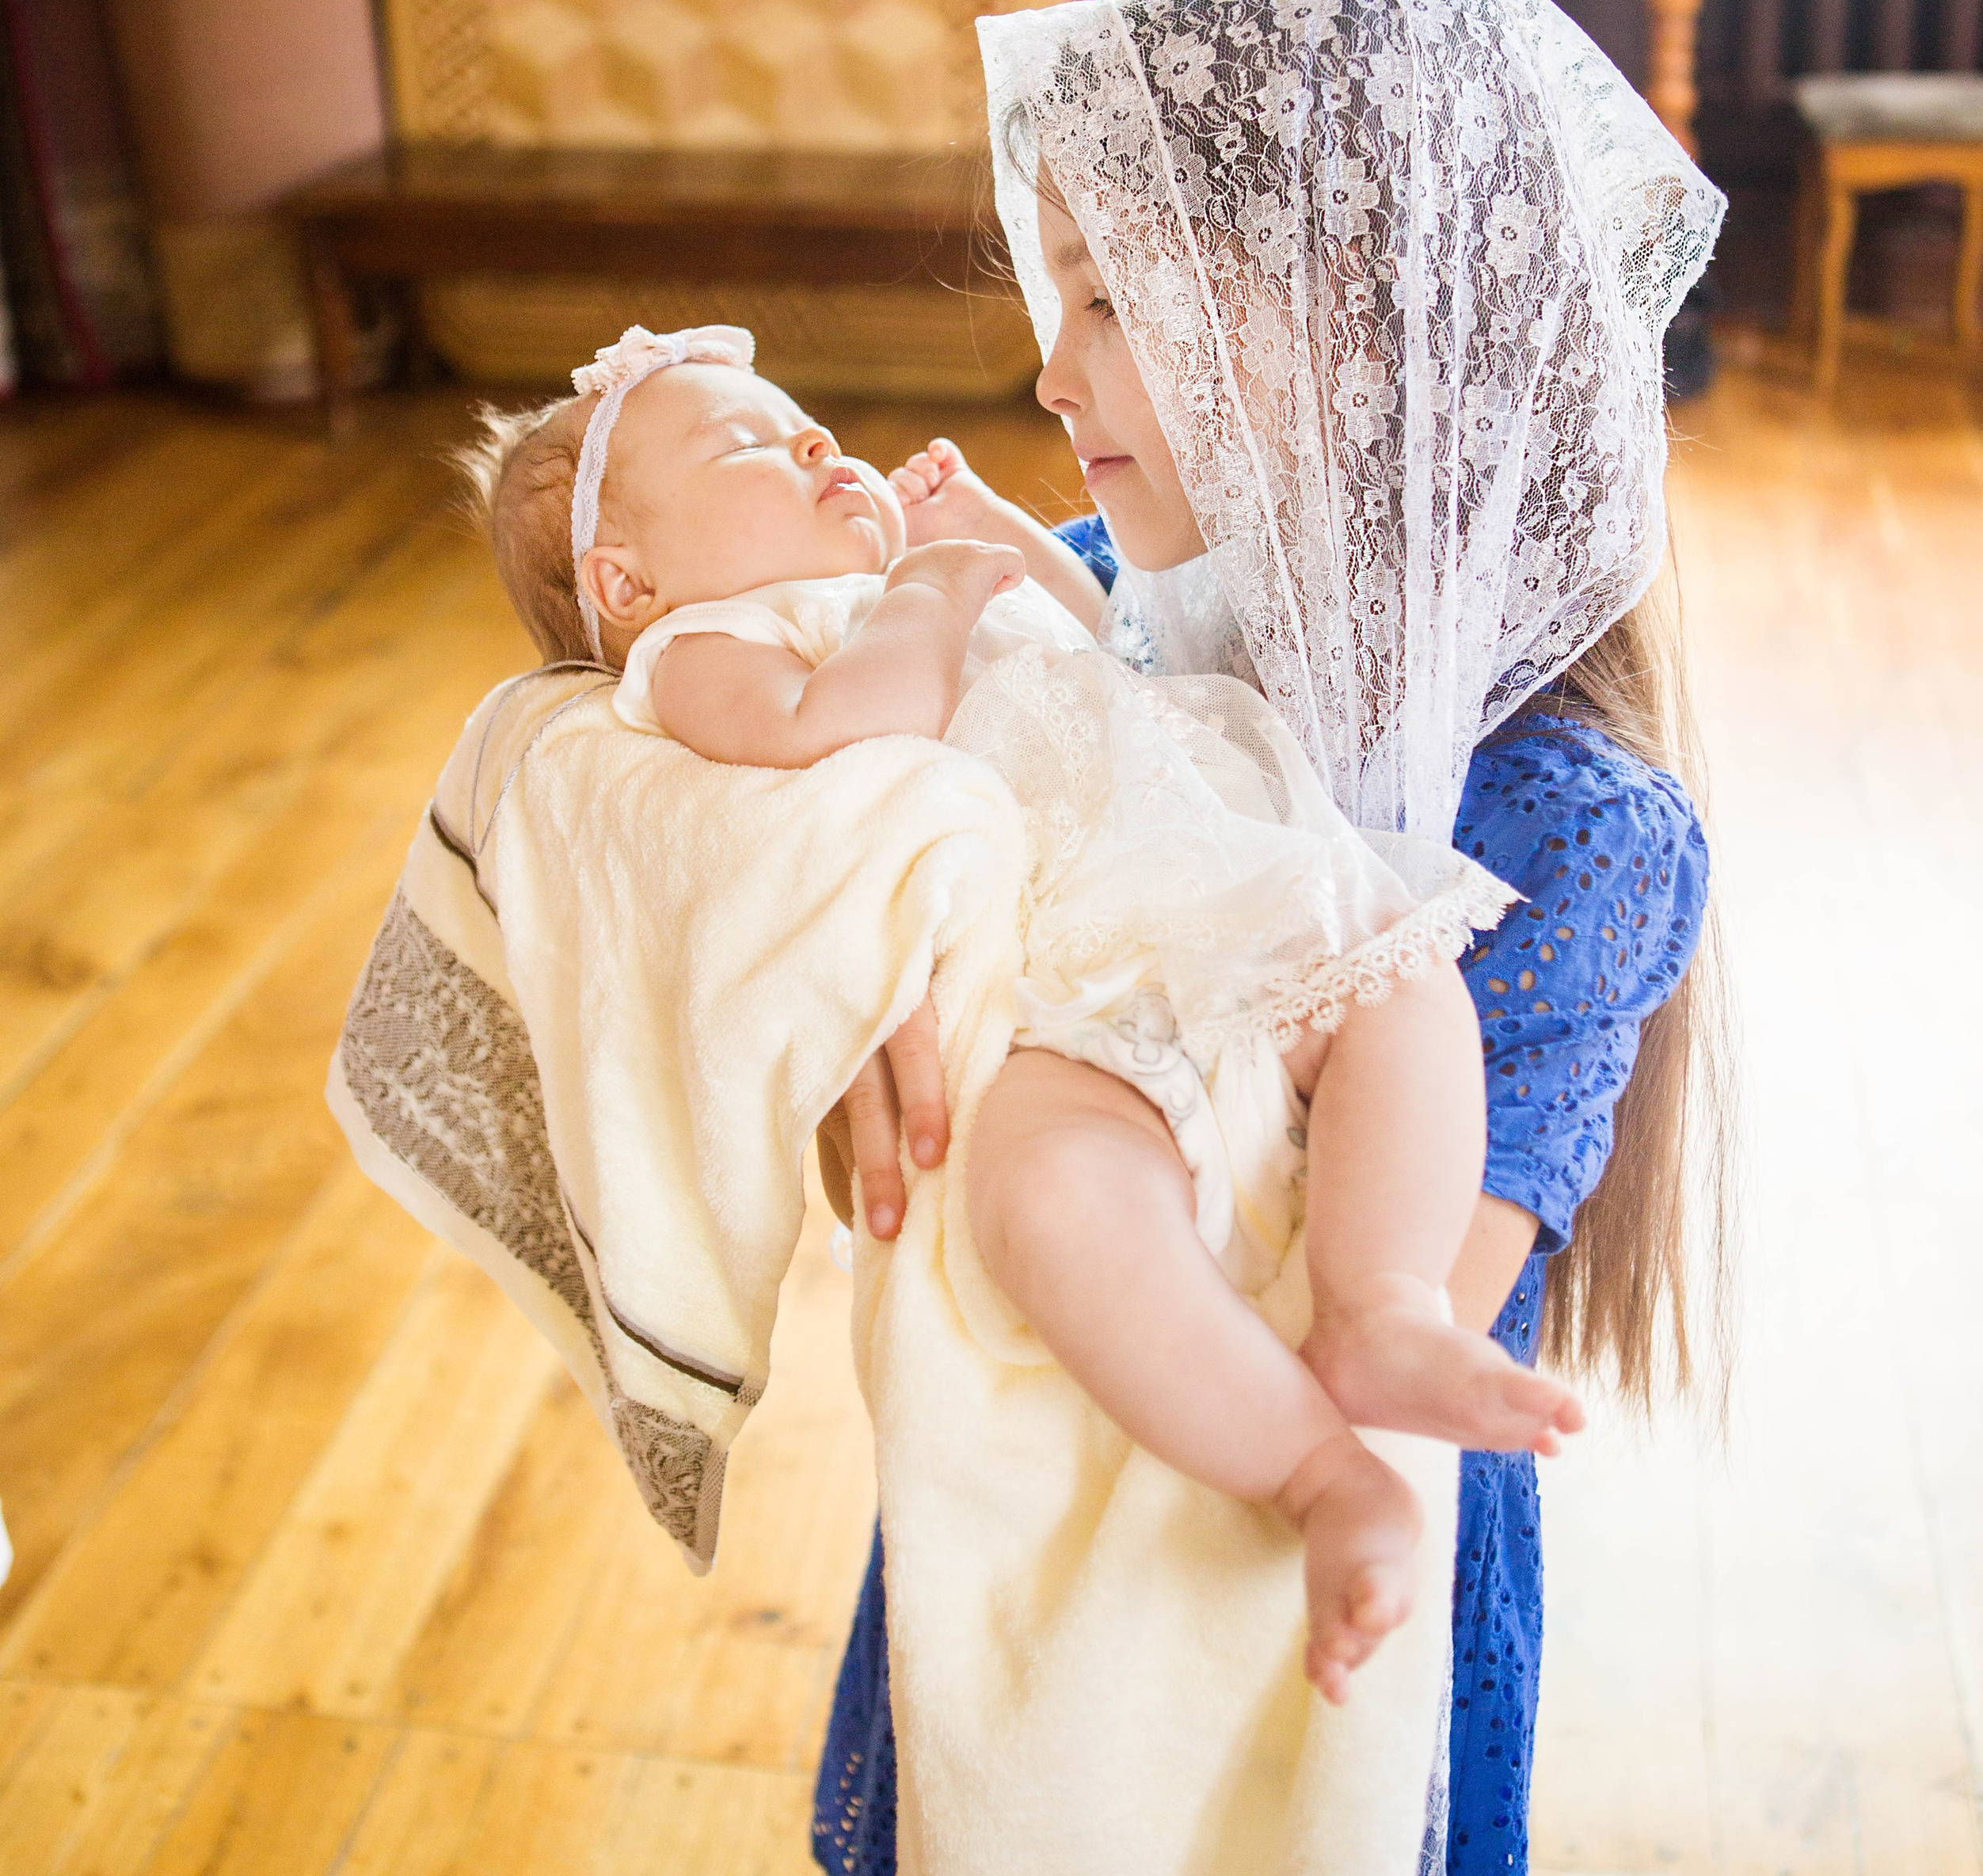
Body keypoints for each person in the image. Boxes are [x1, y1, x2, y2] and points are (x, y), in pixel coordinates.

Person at [815, 0, 1731, 1876]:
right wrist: (874, 1007)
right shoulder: (1123, 673)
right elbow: (888, 909)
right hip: (1019, 1577)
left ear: (1363, 343)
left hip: (1290, 1645)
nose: (1051, 369)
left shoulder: (1563, 831)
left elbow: (1327, 1316)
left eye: (1123, 301)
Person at [466, 318, 1579, 1696]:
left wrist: (990, 540)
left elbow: (1111, 642)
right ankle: (1312, 1468)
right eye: (748, 444)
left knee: (1407, 987)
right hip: (1066, 969)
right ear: (626, 579)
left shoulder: (908, 578)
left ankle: (1383, 1302)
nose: (815, 440)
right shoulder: (710, 646)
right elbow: (836, 734)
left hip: (1224, 882)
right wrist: (925, 594)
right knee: (1051, 1195)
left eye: (800, 413)